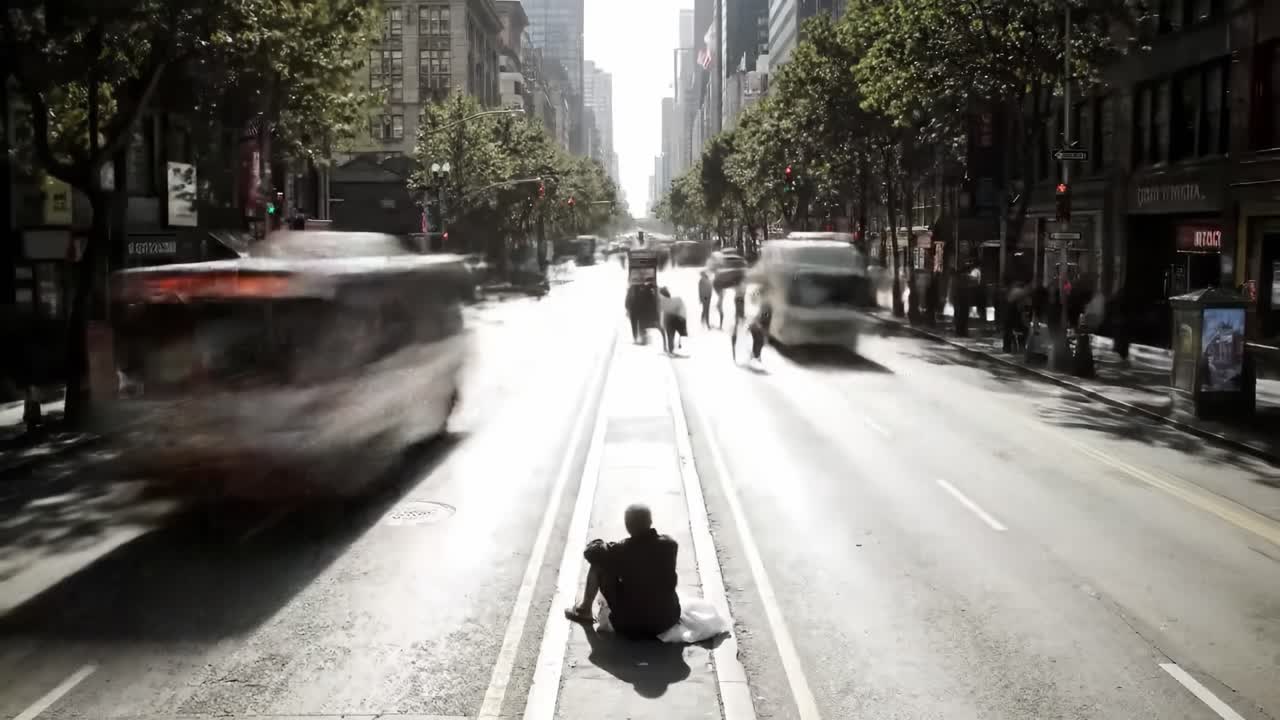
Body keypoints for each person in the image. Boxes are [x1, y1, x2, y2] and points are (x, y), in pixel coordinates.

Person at [565, 504, 681, 641]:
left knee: (598, 565)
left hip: (629, 626)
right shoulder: (670, 545)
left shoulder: (622, 549)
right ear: (650, 521)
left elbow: (590, 552)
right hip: (667, 620)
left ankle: (585, 609)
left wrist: (602, 544)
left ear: (627, 526)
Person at [659, 287, 688, 355]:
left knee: (670, 335)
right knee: (672, 335)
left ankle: (671, 349)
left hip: (670, 319)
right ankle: (671, 349)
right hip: (674, 319)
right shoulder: (676, 300)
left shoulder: (663, 302)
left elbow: (661, 312)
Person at [729, 284, 747, 361]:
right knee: (736, 333)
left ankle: (735, 354)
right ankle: (735, 354)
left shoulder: (739, 298)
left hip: (737, 323)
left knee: (736, 332)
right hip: (737, 324)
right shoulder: (740, 299)